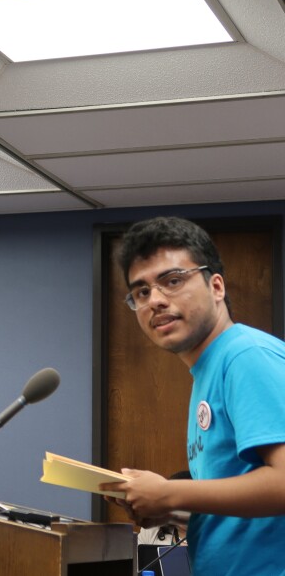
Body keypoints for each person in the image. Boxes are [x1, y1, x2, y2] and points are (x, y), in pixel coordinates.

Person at [100, 217, 285, 575]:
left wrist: (170, 493)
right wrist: (170, 508)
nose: (155, 300)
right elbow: (243, 508)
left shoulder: (245, 356)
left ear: (216, 286)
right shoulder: (209, 368)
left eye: (172, 281)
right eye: (141, 292)